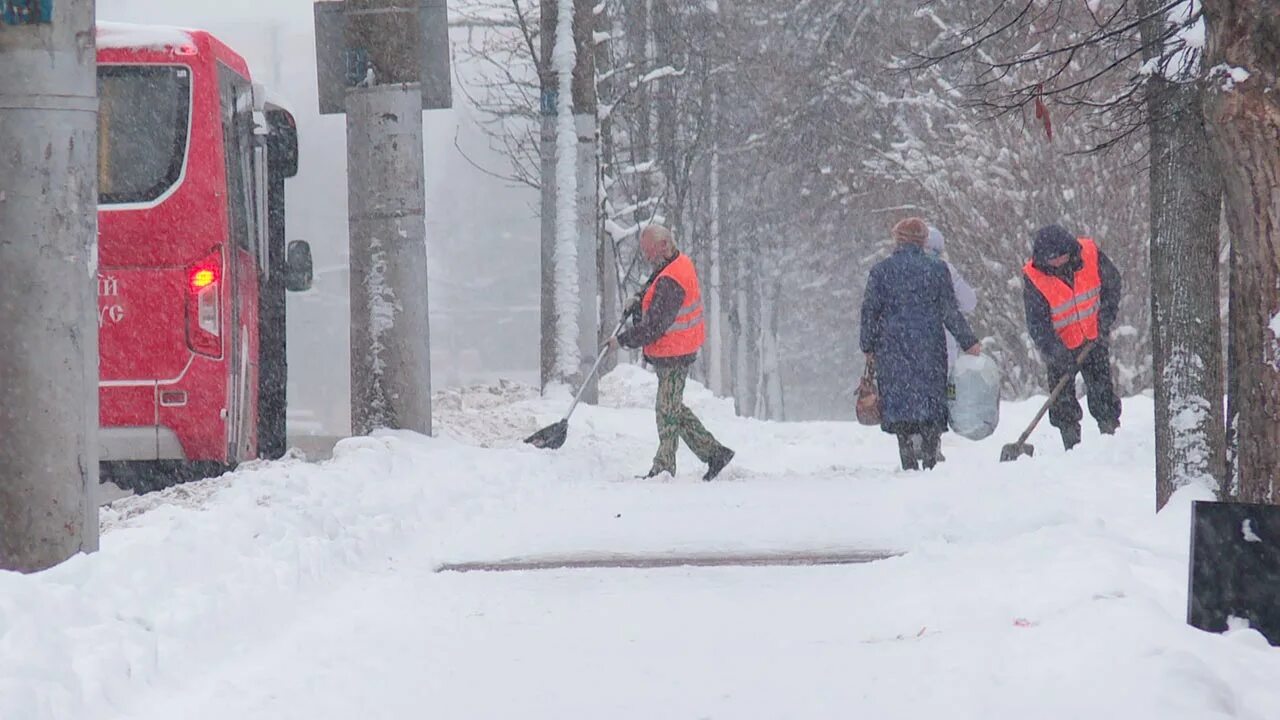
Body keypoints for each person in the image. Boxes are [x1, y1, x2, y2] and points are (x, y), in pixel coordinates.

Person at [606, 225, 735, 481]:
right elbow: (653, 287)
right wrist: (638, 299)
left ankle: (663, 467)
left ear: (664, 245)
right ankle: (714, 453)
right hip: (676, 349)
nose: (647, 257)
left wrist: (620, 341)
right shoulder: (674, 262)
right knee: (673, 408)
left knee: (666, 410)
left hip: (676, 352)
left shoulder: (672, 280)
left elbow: (653, 327)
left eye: (649, 251)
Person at [861, 217, 980, 471]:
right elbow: (950, 311)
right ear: (924, 240)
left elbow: (870, 311)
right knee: (930, 400)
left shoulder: (881, 271)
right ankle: (929, 455)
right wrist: (969, 342)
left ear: (897, 239)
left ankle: (907, 456)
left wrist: (868, 346)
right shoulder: (937, 270)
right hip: (929, 344)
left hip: (892, 346)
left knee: (900, 400)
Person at [1022, 224, 1122, 450]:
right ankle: (1071, 442)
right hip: (1060, 346)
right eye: (1051, 259)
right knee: (1062, 399)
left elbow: (1113, 285)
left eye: (1060, 257)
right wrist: (1056, 353)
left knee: (1102, 389)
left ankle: (1110, 433)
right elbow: (1038, 324)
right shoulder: (1035, 277)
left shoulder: (1089, 253)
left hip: (1092, 338)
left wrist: (1104, 319)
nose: (1057, 262)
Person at [924, 225, 979, 463]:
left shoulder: (896, 269)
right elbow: (969, 303)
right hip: (942, 342)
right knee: (938, 393)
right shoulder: (945, 269)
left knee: (915, 390)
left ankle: (914, 439)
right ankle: (932, 443)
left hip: (905, 344)